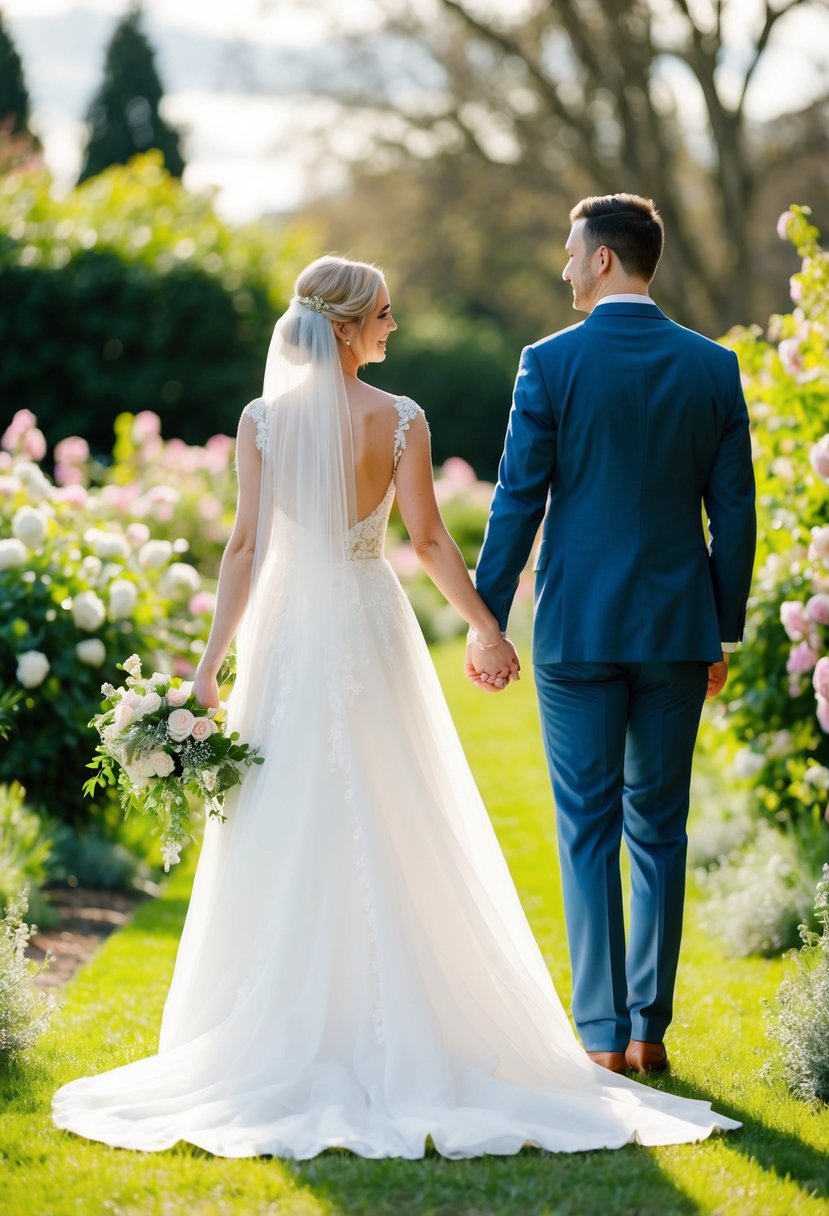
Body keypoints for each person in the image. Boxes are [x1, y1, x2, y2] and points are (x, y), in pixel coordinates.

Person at [52, 254, 740, 1158]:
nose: (392, 326)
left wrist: (210, 668)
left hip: (289, 641)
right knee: (392, 804)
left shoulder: (262, 421)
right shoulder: (399, 419)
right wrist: (486, 629)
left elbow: (244, 549)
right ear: (344, 327)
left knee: (286, 815)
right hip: (370, 629)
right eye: (381, 314)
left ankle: (291, 1017)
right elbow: (424, 539)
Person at [470, 195, 757, 1076]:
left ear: (602, 260)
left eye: (568, 253)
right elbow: (734, 512)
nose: (562, 268)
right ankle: (649, 1031)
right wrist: (721, 629)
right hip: (676, 628)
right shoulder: (712, 366)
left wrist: (487, 620)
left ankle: (598, 1038)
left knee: (586, 826)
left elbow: (518, 498)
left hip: (577, 629)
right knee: (658, 828)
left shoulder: (547, 364)